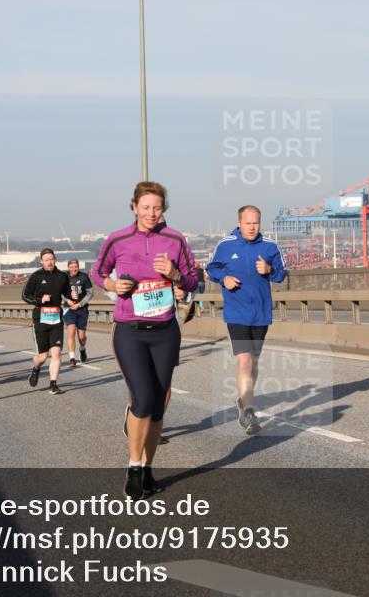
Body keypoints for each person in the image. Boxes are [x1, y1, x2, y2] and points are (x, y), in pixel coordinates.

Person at [91, 181, 198, 500]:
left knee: (159, 404)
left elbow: (194, 279)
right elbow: (97, 273)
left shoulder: (176, 239)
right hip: (130, 330)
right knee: (142, 398)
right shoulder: (118, 239)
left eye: (157, 207)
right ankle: (134, 468)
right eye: (146, 207)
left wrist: (176, 276)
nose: (152, 213)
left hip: (165, 331)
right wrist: (113, 285)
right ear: (134, 207)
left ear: (164, 209)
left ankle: (149, 468)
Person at [207, 204, 288, 435]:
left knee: (253, 361)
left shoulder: (270, 246)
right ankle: (249, 411)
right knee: (244, 361)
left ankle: (243, 400)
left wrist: (269, 269)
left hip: (261, 314)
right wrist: (224, 278)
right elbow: (211, 269)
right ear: (239, 223)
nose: (252, 227)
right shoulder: (226, 245)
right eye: (248, 223)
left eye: (256, 223)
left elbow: (282, 275)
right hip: (236, 313)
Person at [22, 248, 73, 395]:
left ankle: (53, 384)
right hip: (40, 320)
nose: (49, 262)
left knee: (56, 354)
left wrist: (71, 297)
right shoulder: (36, 276)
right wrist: (40, 299)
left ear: (55, 259)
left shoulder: (62, 276)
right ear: (41, 261)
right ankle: (36, 367)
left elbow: (67, 293)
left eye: (51, 259)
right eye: (46, 260)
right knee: (43, 357)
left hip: (56, 320)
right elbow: (25, 296)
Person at [63, 259, 94, 368]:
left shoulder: (84, 277)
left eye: (75, 267)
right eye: (71, 267)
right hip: (68, 309)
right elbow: (59, 292)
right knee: (71, 331)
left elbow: (90, 293)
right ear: (68, 267)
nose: (74, 269)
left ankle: (82, 349)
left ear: (78, 267)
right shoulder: (64, 277)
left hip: (82, 309)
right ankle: (72, 358)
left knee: (81, 337)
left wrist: (80, 304)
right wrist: (67, 300)